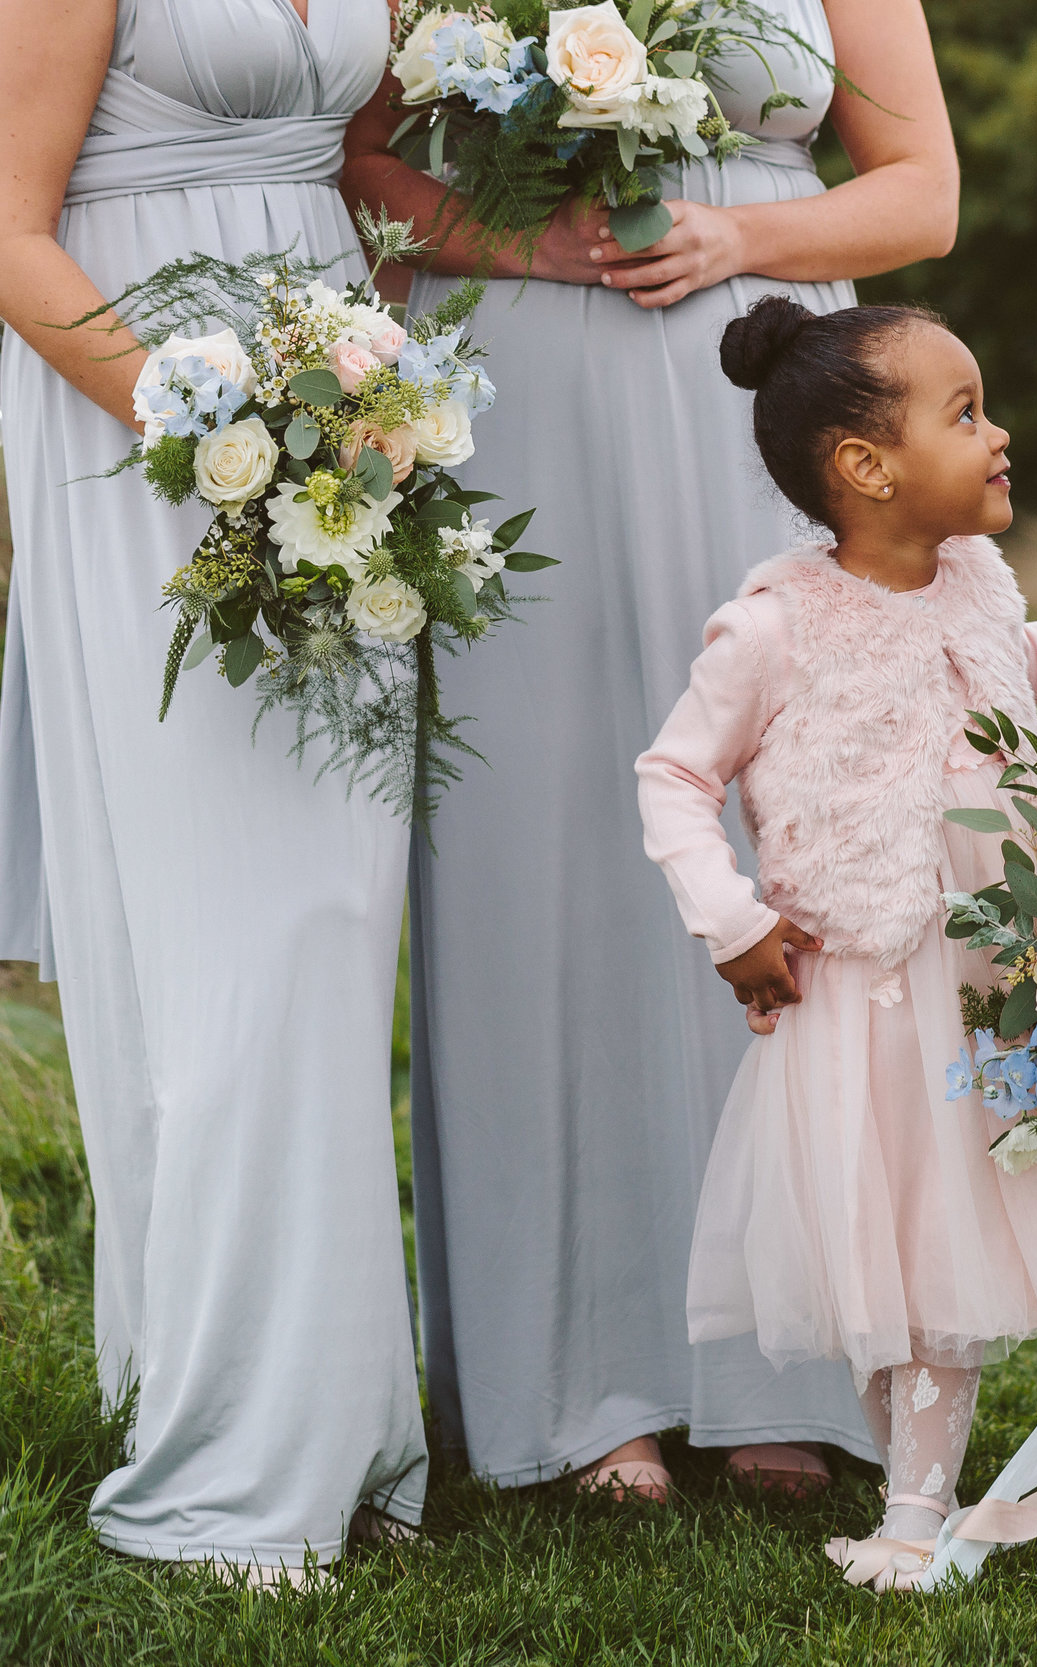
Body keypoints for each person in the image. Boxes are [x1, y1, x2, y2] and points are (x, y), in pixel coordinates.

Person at [340, 0, 960, 1499]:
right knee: (539, 852)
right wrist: (533, 248)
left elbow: (923, 194)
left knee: (787, 827)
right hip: (516, 390)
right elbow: (356, 167)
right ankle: (574, 1370)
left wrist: (736, 239)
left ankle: (786, 1361)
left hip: (761, 388)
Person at [639, 295, 1037, 1589]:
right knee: (885, 1239)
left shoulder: (971, 579)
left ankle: (917, 1505)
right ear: (867, 466)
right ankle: (914, 1507)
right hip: (860, 978)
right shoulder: (777, 624)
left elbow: (1016, 659)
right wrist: (735, 920)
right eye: (965, 412)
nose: (999, 431)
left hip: (982, 970)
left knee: (941, 1230)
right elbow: (672, 777)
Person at [0, 0, 419, 1581]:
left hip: (350, 444)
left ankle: (340, 1412)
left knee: (324, 921)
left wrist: (365, 411)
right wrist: (214, 427)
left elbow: (363, 172)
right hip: (148, 441)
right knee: (223, 928)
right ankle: (233, 1439)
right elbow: (8, 232)